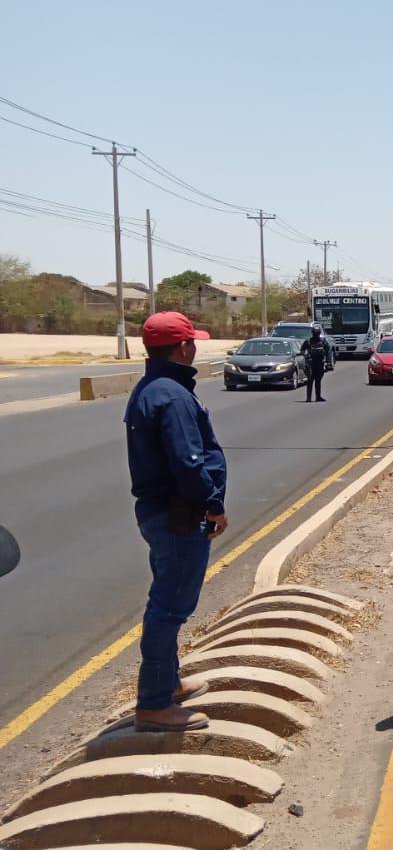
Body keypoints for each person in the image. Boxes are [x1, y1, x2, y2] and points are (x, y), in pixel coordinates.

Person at [124, 312, 227, 732]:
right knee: (169, 608)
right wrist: (213, 504)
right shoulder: (172, 396)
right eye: (193, 342)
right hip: (178, 515)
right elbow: (189, 461)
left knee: (167, 599)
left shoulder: (153, 388)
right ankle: (153, 704)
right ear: (184, 348)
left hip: (163, 512)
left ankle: (169, 682)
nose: (195, 348)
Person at [303, 325, 330, 402]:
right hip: (311, 364)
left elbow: (327, 350)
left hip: (320, 363)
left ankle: (318, 397)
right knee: (310, 381)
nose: (316, 335)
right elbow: (302, 350)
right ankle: (308, 398)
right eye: (315, 333)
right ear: (312, 333)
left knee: (318, 381)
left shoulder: (323, 341)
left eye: (317, 333)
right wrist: (305, 356)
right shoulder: (308, 341)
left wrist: (327, 361)